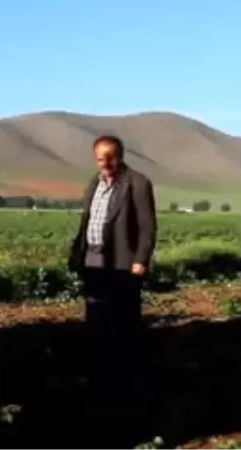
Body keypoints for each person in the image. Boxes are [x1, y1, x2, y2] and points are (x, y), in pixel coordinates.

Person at [67, 135, 158, 445]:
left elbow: (147, 227)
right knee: (97, 320)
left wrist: (140, 261)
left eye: (110, 157)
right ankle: (100, 379)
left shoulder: (138, 183)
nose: (104, 163)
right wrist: (76, 253)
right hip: (93, 260)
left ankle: (130, 385)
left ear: (120, 156)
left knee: (124, 324)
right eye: (99, 157)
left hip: (122, 263)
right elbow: (88, 219)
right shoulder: (95, 183)